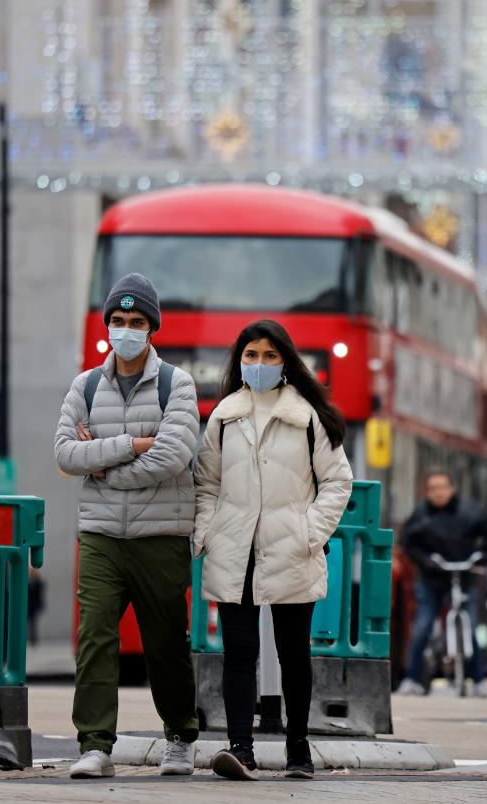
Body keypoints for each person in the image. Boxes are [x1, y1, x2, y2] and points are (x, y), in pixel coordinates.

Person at [54, 273, 201, 778]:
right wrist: (130, 445)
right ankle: (95, 745)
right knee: (94, 635)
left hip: (160, 536)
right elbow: (64, 453)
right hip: (100, 536)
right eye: (118, 321)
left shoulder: (176, 384)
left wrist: (103, 464)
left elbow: (173, 456)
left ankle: (181, 735)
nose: (126, 330)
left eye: (137, 322)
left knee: (165, 642)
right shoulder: (86, 385)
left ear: (152, 329)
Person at [194, 319, 353, 781]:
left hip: (291, 547)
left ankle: (298, 750)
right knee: (239, 652)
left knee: (293, 653)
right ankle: (240, 749)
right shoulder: (223, 415)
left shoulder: (307, 417)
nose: (259, 364)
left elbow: (338, 481)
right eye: (250, 355)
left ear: (285, 361)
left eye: (269, 355)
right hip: (233, 546)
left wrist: (310, 533)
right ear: (238, 360)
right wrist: (208, 531)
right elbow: (206, 483)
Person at [396, 468, 487, 697]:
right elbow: (408, 543)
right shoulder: (420, 515)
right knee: (422, 625)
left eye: (442, 487)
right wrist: (425, 561)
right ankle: (411, 678)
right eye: (433, 489)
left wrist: (484, 555)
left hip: (463, 576)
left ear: (451, 489)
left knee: (471, 625)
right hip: (431, 578)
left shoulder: (471, 512)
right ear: (426, 492)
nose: (438, 493)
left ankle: (479, 680)